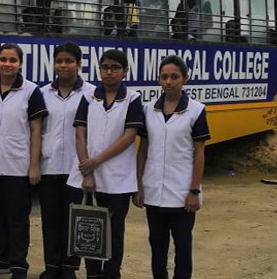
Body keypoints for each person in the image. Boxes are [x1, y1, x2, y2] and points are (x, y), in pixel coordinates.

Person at [0, 43, 47, 279]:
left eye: (13, 60)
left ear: (20, 64)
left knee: (17, 218)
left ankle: (18, 265)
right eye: (3, 59)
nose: (7, 64)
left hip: (17, 166)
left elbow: (36, 130)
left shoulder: (31, 91)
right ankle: (0, 258)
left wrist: (34, 165)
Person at [67, 49, 144, 279]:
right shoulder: (88, 97)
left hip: (118, 179)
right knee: (89, 227)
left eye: (114, 68)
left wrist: (96, 161)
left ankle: (112, 273)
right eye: (105, 67)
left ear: (125, 71)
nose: (109, 72)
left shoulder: (132, 98)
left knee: (115, 231)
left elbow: (129, 136)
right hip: (87, 176)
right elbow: (80, 135)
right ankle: (92, 274)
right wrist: (87, 171)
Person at [133, 55, 210, 279]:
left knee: (183, 248)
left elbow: (199, 154)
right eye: (164, 77)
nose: (169, 81)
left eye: (174, 77)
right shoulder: (149, 111)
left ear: (184, 79)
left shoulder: (196, 111)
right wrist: (138, 185)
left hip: (182, 194)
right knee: (157, 247)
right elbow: (143, 151)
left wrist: (194, 190)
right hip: (153, 192)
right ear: (158, 79)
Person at [38, 43, 96, 279]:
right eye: (59, 60)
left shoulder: (92, 93)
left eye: (69, 61)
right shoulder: (42, 93)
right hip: (49, 165)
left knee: (74, 220)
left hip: (77, 167)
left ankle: (69, 268)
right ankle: (51, 267)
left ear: (78, 64)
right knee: (50, 219)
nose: (63, 65)